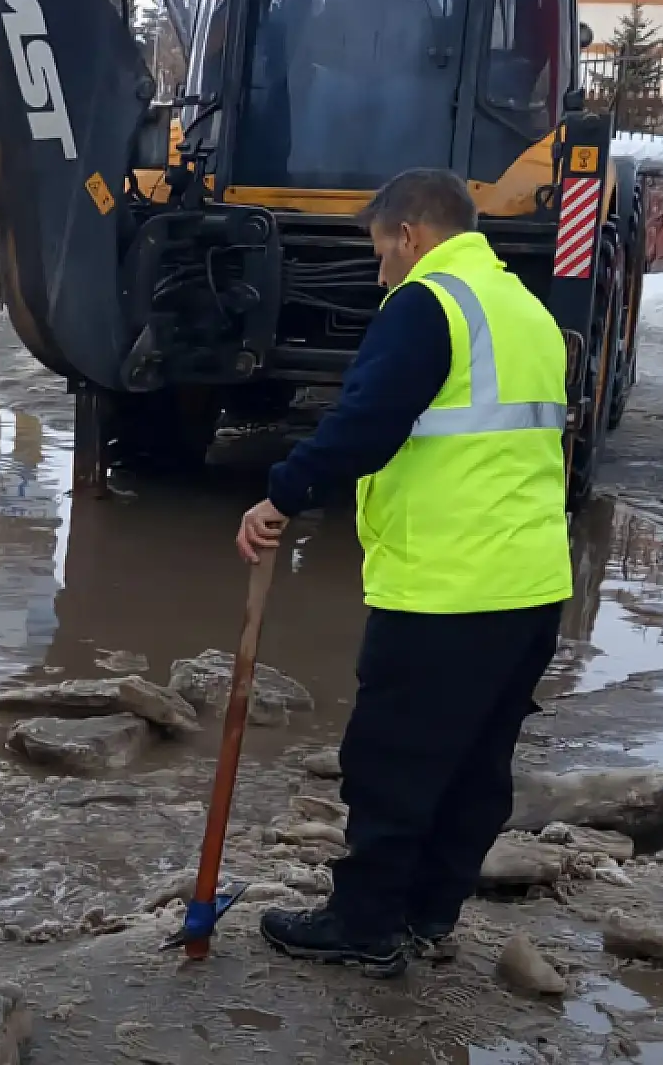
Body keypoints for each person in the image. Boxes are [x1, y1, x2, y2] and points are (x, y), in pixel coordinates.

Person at [236, 169, 571, 977]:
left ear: (411, 235)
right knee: (474, 765)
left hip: (448, 584)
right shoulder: (528, 310)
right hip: (531, 586)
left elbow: (369, 421)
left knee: (392, 760)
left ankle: (363, 921)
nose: (381, 269)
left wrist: (283, 492)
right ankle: (427, 914)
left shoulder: (429, 303)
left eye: (382, 249)